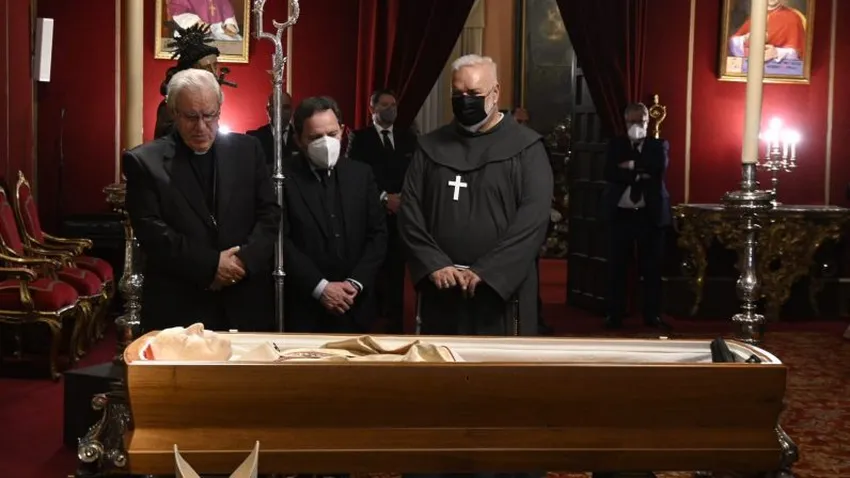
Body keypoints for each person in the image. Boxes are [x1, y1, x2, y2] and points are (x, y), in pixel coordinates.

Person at [398, 54, 553, 338]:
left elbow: (533, 221)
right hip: (442, 287)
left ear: (495, 92)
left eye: (474, 93)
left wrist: (488, 271)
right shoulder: (430, 146)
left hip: (501, 291)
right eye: (458, 94)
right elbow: (410, 212)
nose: (465, 100)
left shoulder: (526, 147)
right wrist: (434, 263)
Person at [124, 69, 280, 333]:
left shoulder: (248, 150)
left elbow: (269, 214)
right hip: (180, 302)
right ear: (173, 112)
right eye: (191, 117)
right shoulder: (144, 162)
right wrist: (211, 266)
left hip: (244, 299)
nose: (201, 127)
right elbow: (152, 231)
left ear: (219, 110)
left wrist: (242, 262)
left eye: (209, 115)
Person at [282, 96, 388, 333]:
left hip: (357, 304)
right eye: (315, 137)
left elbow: (378, 235)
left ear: (342, 130)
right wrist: (321, 288)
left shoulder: (361, 175)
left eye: (332, 134)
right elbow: (280, 241)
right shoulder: (281, 178)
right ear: (298, 139)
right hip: (304, 308)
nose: (326, 143)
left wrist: (355, 283)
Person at [347, 88, 418, 333]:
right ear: (372, 109)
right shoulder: (360, 138)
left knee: (397, 270)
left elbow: (415, 173)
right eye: (385, 105)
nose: (390, 109)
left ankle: (395, 320)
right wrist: (383, 198)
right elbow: (354, 174)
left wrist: (403, 199)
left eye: (394, 105)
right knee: (374, 268)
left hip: (402, 216)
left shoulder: (408, 138)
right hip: (373, 214)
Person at [602, 102, 671, 330]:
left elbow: (658, 169)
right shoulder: (616, 145)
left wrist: (630, 166)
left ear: (647, 122)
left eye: (640, 121)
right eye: (631, 122)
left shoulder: (658, 145)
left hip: (649, 216)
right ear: (625, 123)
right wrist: (641, 172)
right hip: (621, 215)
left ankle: (652, 315)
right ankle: (614, 314)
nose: (636, 126)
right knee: (617, 267)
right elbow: (610, 172)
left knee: (652, 268)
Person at [154, 23, 236, 139]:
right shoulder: (169, 106)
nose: (213, 73)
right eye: (206, 68)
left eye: (215, 66)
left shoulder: (209, 98)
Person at [728, 0, 805, 62]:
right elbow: (733, 42)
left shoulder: (793, 17)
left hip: (780, 70)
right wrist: (746, 38)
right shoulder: (756, 15)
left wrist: (776, 52)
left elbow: (798, 54)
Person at [247, 91, 298, 171]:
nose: (280, 111)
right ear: (268, 110)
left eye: (285, 107)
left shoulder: (301, 137)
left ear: (292, 110)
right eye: (276, 106)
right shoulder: (254, 138)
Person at [167, 0, 243, 42]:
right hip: (194, 31)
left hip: (218, 31)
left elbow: (227, 10)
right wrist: (195, 22)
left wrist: (229, 24)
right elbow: (178, 11)